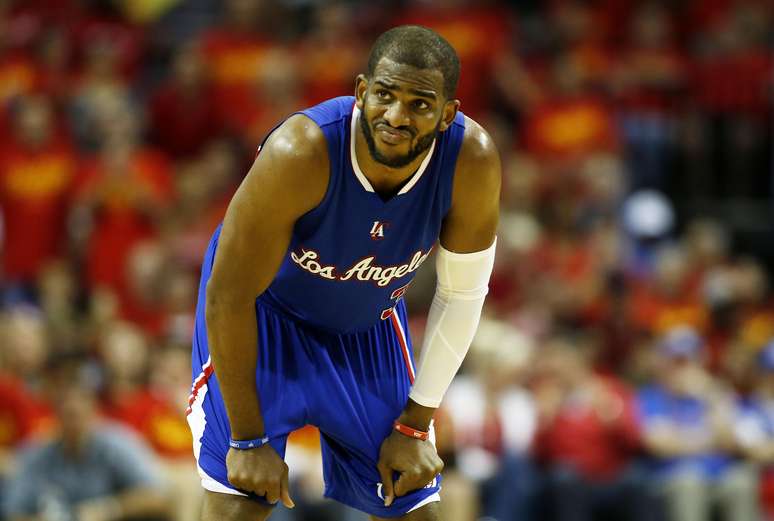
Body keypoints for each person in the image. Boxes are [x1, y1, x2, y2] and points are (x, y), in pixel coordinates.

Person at [186, 25, 500, 521]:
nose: (395, 116)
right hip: (264, 317)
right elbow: (228, 294)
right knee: (240, 506)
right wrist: (248, 438)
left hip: (365, 327)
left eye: (419, 104)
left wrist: (416, 425)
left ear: (446, 115)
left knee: (416, 506)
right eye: (384, 95)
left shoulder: (471, 161)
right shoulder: (300, 151)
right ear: (360, 92)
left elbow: (463, 294)